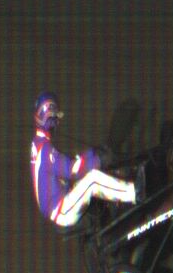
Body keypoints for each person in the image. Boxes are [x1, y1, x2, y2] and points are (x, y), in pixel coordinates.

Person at [28, 93, 137, 230]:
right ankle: (136, 192)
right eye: (55, 118)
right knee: (92, 180)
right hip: (61, 210)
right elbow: (72, 170)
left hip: (60, 204)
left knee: (88, 177)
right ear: (48, 118)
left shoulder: (40, 144)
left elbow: (70, 163)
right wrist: (99, 160)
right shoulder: (44, 149)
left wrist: (93, 153)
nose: (57, 123)